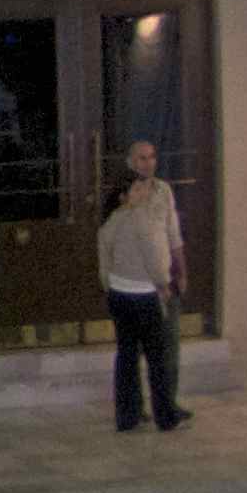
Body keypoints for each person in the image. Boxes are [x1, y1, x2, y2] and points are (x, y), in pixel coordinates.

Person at [101, 137, 190, 434]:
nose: (148, 162)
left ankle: (166, 407)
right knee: (137, 355)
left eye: (151, 157)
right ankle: (137, 413)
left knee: (165, 352)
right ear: (130, 163)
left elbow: (172, 235)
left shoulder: (163, 191)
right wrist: (160, 283)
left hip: (155, 286)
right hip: (136, 291)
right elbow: (109, 242)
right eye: (141, 158)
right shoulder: (121, 201)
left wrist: (181, 271)